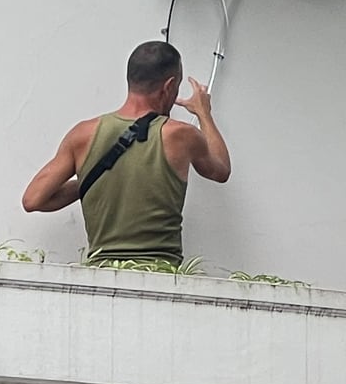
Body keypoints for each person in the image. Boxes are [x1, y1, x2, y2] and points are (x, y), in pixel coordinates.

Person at [21, 40, 231, 264]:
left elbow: (33, 200)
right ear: (169, 86)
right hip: (160, 275)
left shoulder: (82, 134)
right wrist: (204, 112)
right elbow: (221, 170)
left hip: (100, 276)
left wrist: (95, 178)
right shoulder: (181, 135)